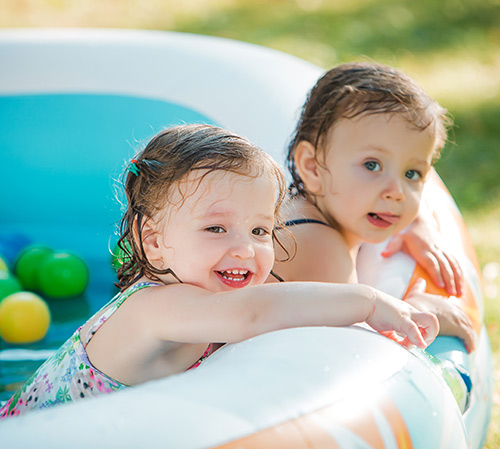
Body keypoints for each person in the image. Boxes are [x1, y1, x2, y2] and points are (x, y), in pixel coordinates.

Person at [0, 124, 438, 419]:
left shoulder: (204, 287)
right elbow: (254, 313)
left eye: (260, 229)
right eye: (215, 228)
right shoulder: (155, 307)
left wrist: (412, 225)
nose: (245, 248)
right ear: (152, 240)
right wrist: (371, 301)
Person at [272, 61, 475, 353]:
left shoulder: (307, 207)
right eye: (372, 165)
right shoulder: (321, 248)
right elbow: (349, 354)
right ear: (312, 167)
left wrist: (417, 222)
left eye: (411, 174)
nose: (397, 193)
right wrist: (418, 310)